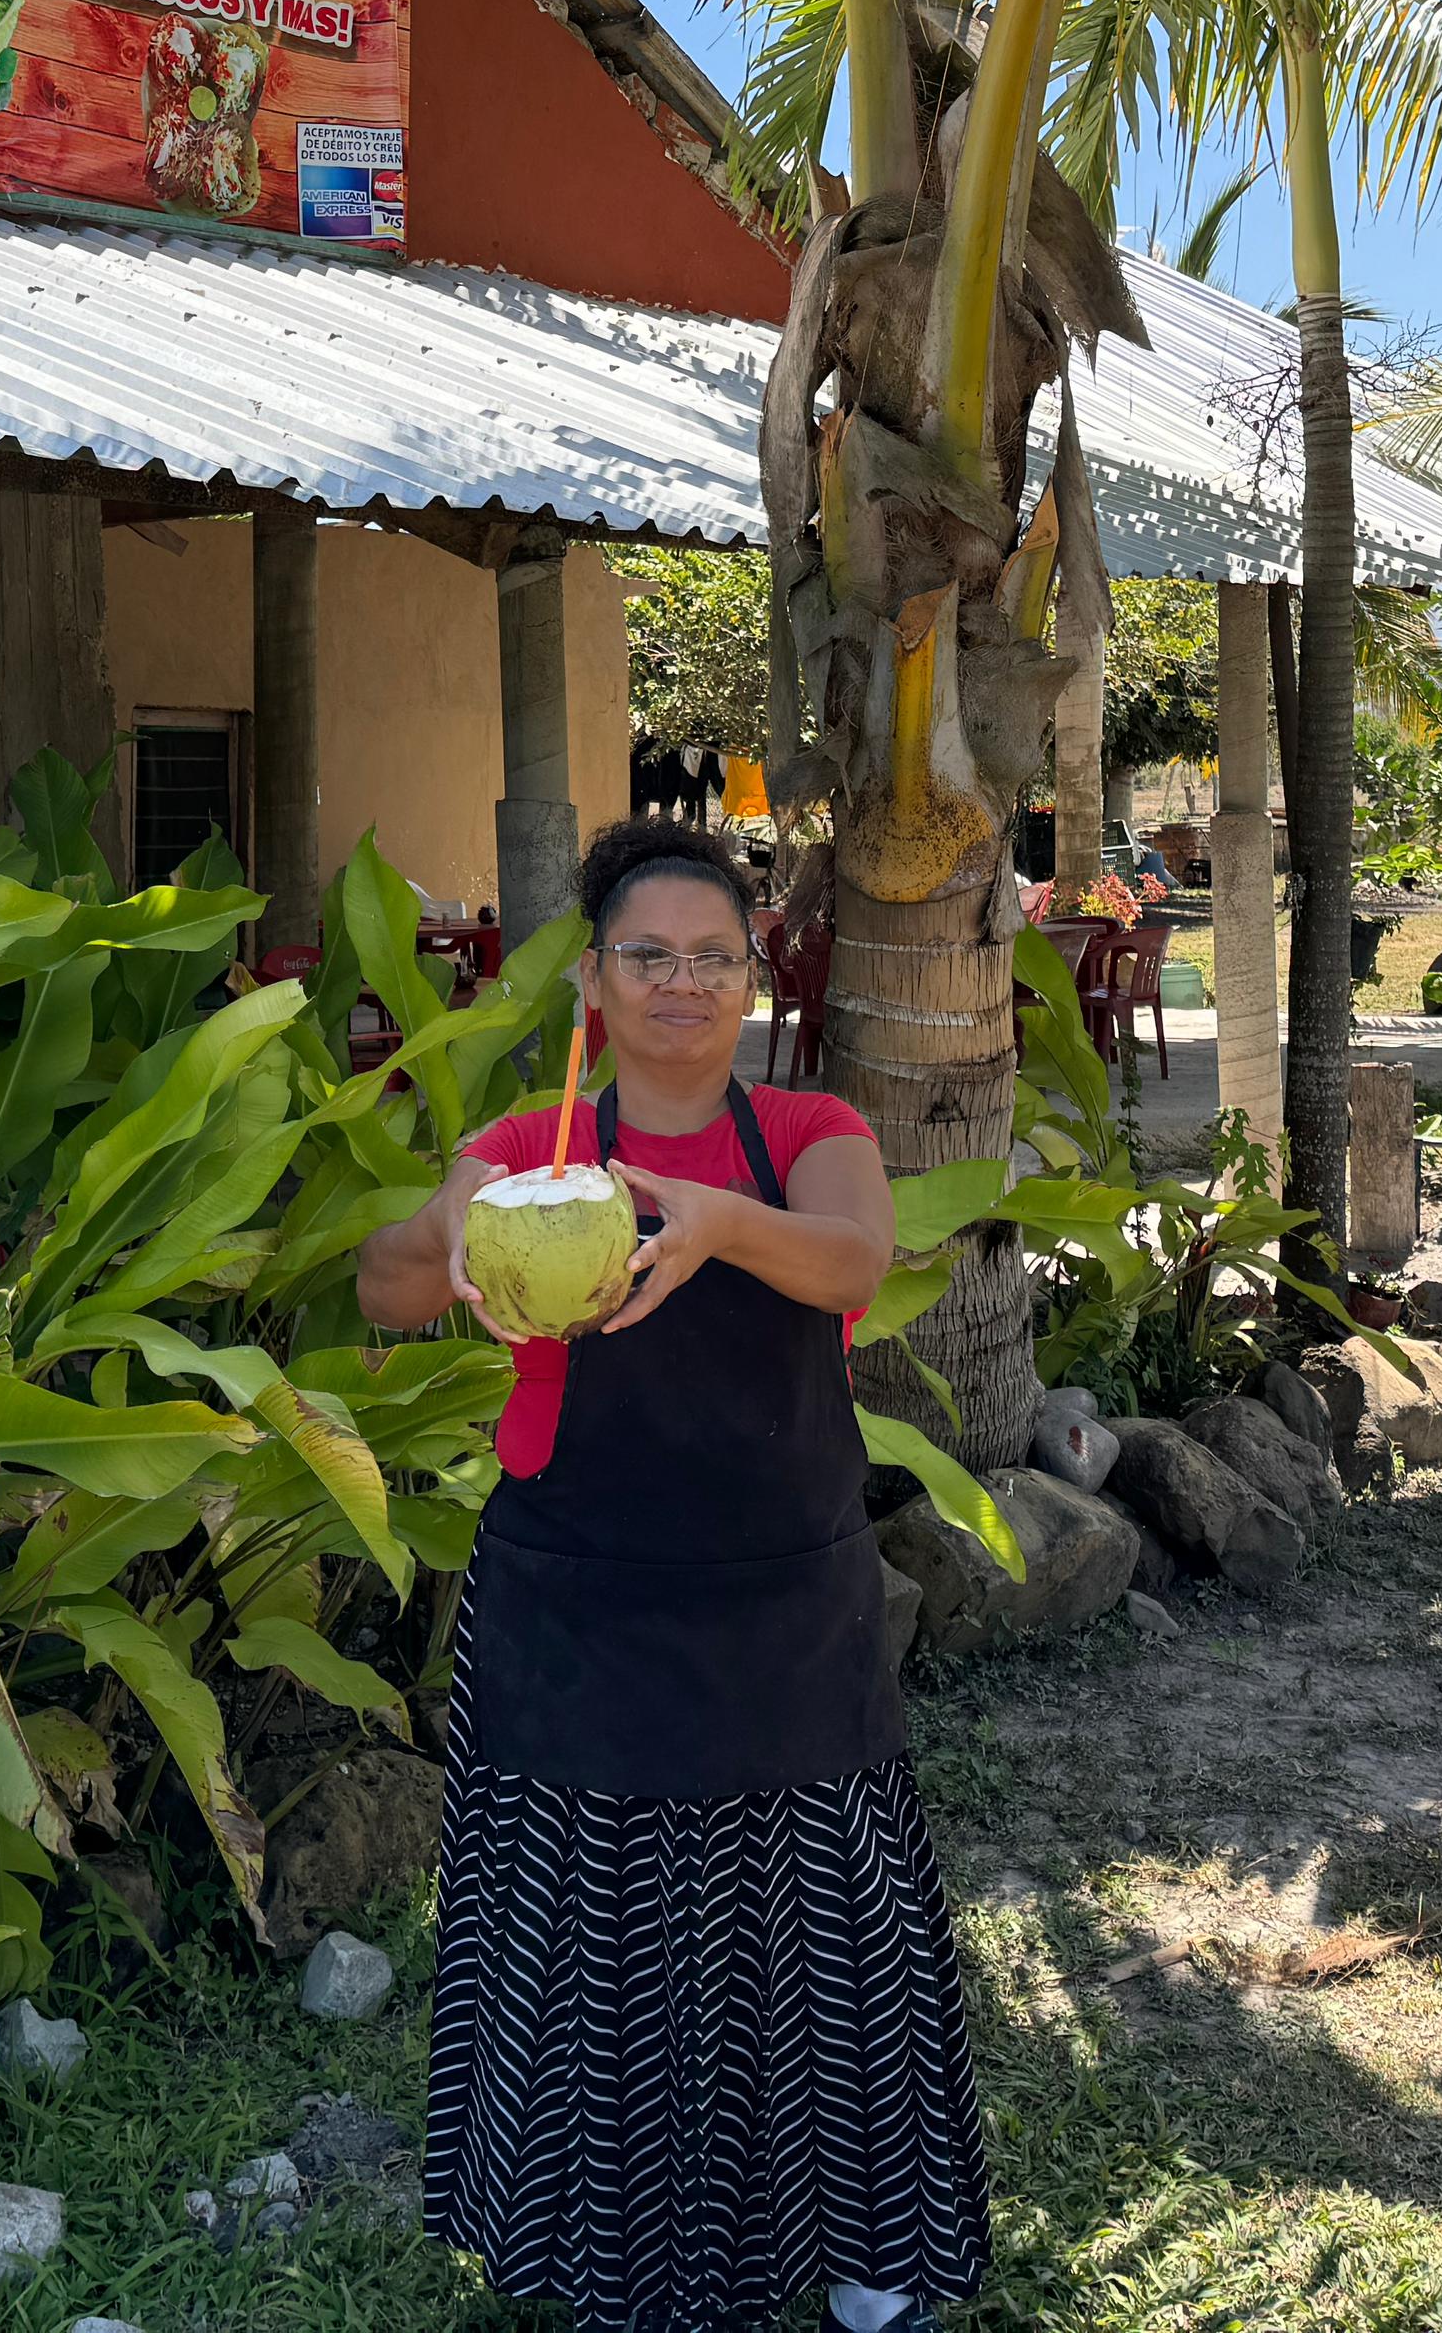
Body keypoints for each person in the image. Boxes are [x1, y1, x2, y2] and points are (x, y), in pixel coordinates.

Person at [360, 816, 990, 2333]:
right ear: (594, 981)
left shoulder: (810, 1136)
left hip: (783, 1599)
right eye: (649, 956)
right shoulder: (527, 1151)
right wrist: (447, 1239)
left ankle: (865, 2250)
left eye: (715, 958)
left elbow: (856, 1264)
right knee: (591, 1949)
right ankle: (607, 2267)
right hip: (576, 1601)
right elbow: (386, 1282)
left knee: (832, 1936)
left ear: (753, 981)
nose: (683, 985)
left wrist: (710, 1224)